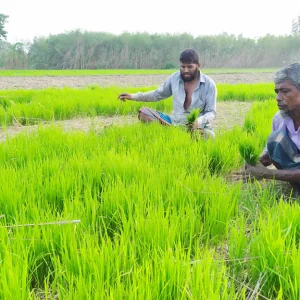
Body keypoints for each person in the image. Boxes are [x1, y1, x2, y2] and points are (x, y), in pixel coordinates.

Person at [118, 48, 217, 139]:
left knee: (210, 136)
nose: (186, 70)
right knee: (144, 113)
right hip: (173, 122)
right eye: (183, 67)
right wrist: (133, 96)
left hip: (196, 127)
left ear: (198, 66)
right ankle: (175, 133)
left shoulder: (209, 85)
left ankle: (174, 134)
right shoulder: (175, 78)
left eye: (190, 67)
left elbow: (211, 112)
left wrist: (198, 121)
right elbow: (157, 94)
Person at [245, 62, 300, 191]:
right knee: (275, 139)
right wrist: (255, 163)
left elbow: (267, 172)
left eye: (285, 91)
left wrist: (267, 174)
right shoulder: (280, 118)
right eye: (277, 92)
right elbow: (272, 151)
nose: (278, 98)